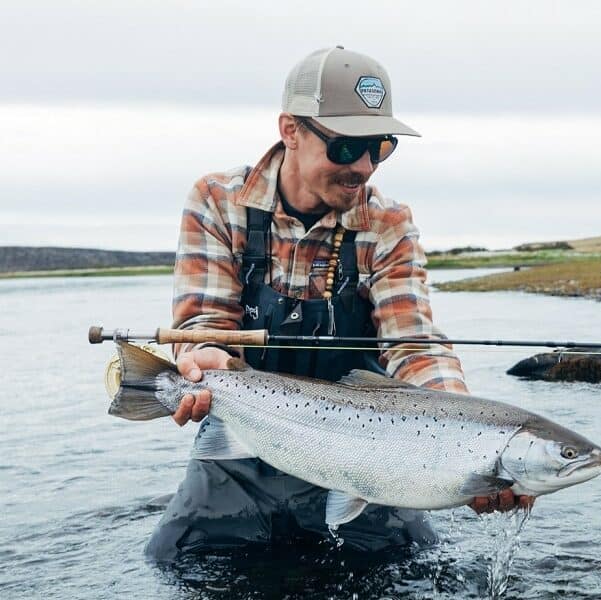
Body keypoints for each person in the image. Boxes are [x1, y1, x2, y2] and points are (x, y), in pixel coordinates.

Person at [146, 46, 531, 561]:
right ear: (291, 130)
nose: (365, 167)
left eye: (381, 146)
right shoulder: (218, 201)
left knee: (410, 571)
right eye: (348, 147)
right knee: (174, 562)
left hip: (371, 457)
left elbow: (414, 346)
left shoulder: (387, 223)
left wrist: (471, 438)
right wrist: (204, 358)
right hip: (246, 447)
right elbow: (206, 324)